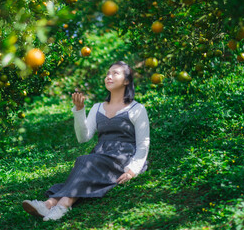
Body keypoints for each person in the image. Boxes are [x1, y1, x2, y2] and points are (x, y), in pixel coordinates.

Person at [22, 61, 150, 221]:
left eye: (115, 73)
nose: (109, 76)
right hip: (100, 156)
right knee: (86, 168)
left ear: (126, 81)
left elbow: (143, 144)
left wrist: (132, 170)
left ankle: (60, 205)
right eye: (108, 73)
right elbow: (83, 137)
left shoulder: (137, 109)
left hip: (123, 158)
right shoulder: (97, 107)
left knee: (86, 163)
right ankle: (49, 204)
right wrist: (79, 110)